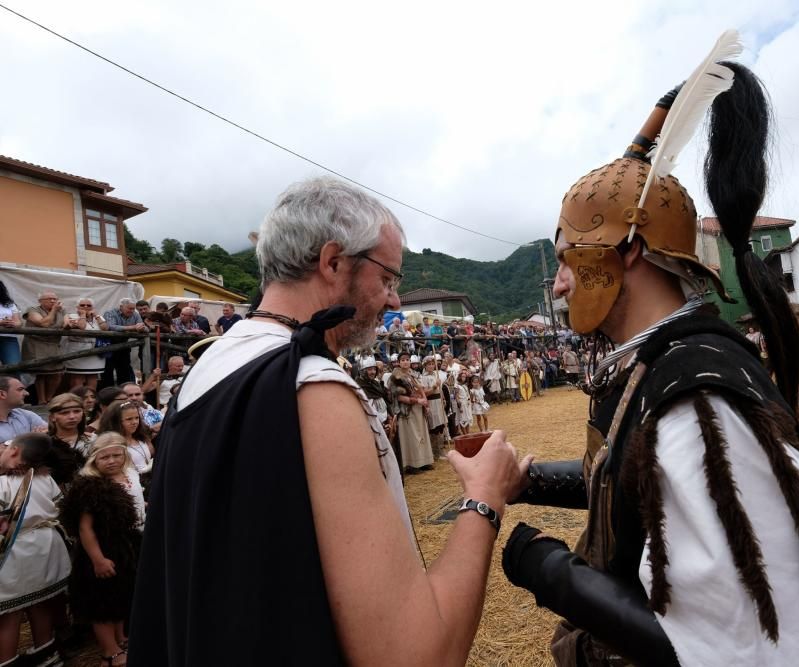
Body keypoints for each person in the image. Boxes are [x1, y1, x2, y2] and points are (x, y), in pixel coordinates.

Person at [501, 59, 799, 666]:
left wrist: (543, 566)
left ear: (630, 249)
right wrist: (523, 480)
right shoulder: (659, 364)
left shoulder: (698, 399)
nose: (559, 286)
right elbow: (635, 482)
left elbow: (740, 646)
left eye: (566, 259)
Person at [129, 177, 527, 666]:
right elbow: (415, 656)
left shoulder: (208, 366)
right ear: (333, 262)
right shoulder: (313, 387)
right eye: (388, 278)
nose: (395, 300)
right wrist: (485, 496)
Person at [59, 432, 143, 667]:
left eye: (117, 455)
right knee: (102, 601)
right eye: (104, 457)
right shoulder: (91, 487)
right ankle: (109, 651)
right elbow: (85, 529)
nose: (112, 460)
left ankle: (121, 638)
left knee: (120, 595)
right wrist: (98, 559)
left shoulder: (127, 475)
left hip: (125, 546)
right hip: (101, 549)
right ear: (93, 459)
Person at [0, 433, 72, 667]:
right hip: (47, 546)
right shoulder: (46, 478)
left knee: (9, 614)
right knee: (41, 603)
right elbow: (59, 506)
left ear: (13, 450)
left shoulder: (2, 482)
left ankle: (7, 661)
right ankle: (47, 655)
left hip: (15, 551)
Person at [391, 354, 435, 472]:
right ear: (398, 362)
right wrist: (417, 400)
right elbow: (399, 397)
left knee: (422, 434)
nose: (405, 362)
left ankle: (424, 461)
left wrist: (425, 402)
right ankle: (412, 465)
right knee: (411, 437)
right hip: (406, 410)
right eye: (403, 360)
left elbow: (420, 389)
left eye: (407, 360)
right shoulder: (396, 376)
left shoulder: (413, 374)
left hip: (418, 408)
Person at [21, 292, 66, 404]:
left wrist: (72, 323)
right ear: (40, 301)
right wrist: (54, 310)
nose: (53, 301)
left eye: (55, 299)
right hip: (36, 344)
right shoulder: (32, 310)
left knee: (56, 373)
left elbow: (66, 324)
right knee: (41, 374)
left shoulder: (62, 311)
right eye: (49, 299)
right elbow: (44, 323)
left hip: (53, 344)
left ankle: (49, 398)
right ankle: (41, 400)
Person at [63, 297, 110, 391]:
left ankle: (91, 399)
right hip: (77, 351)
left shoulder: (97, 317)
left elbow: (105, 328)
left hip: (95, 351)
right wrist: (83, 315)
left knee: (93, 376)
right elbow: (82, 326)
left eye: (89, 305)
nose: (85, 307)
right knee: (77, 378)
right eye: (82, 305)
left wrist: (96, 315)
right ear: (77, 306)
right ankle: (77, 399)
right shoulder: (70, 316)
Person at [99, 400, 154, 475]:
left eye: (137, 418)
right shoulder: (111, 445)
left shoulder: (141, 438)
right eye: (129, 419)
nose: (135, 422)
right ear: (115, 421)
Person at [46, 393, 90, 484]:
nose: (72, 417)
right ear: (52, 417)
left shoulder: (94, 441)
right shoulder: (44, 444)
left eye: (77, 411)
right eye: (64, 413)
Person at [102, 299, 147, 388]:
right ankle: (109, 394)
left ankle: (125, 393)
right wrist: (133, 327)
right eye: (129, 308)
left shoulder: (135, 314)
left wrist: (141, 328)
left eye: (133, 309)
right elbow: (111, 327)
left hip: (124, 346)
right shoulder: (110, 313)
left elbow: (145, 329)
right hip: (108, 345)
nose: (132, 311)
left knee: (124, 371)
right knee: (108, 371)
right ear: (121, 307)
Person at [0, 375, 47, 442]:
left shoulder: (25, 415)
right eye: (20, 389)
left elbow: (48, 431)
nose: (27, 393)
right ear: (2, 394)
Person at [420, 356, 449, 459]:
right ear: (425, 366)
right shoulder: (423, 377)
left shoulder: (436, 375)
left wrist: (444, 398)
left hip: (439, 402)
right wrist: (434, 387)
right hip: (431, 403)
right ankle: (435, 452)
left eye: (433, 364)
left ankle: (441, 450)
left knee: (441, 426)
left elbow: (440, 390)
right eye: (429, 364)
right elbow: (425, 393)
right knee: (434, 427)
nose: (431, 366)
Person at [0, 280, 21, 366]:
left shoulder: (9, 304)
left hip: (8, 338)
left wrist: (14, 324)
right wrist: (1, 322)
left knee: (13, 366)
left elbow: (18, 322)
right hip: (8, 338)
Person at [453, 371, 473, 436]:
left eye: (465, 377)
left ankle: (468, 433)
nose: (464, 378)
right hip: (462, 404)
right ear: (459, 377)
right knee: (463, 419)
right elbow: (456, 396)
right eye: (462, 376)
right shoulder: (457, 385)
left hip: (467, 403)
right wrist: (459, 405)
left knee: (467, 418)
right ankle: (465, 435)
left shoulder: (465, 385)